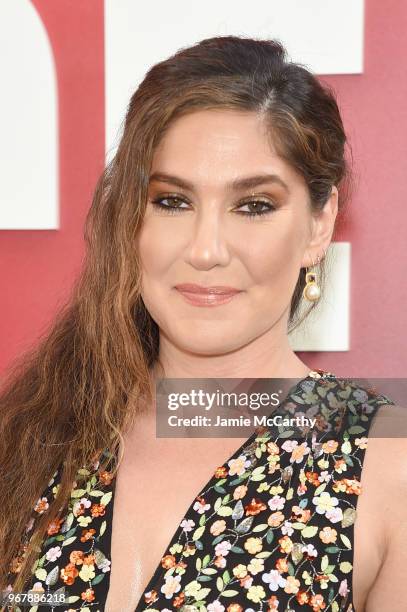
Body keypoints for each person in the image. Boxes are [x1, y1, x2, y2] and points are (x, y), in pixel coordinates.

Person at [0, 35, 405, 612]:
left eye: (254, 206)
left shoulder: (388, 465)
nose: (206, 249)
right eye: (172, 201)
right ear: (128, 217)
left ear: (319, 224)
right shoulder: (31, 440)